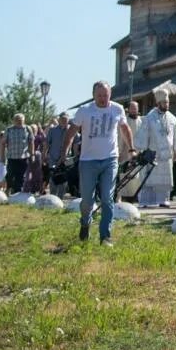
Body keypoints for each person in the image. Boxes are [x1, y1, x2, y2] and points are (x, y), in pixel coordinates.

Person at [67, 81, 134, 246]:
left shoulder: (117, 109)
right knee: (87, 201)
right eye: (99, 96)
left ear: (110, 95)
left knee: (107, 198)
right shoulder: (84, 111)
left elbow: (125, 129)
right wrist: (63, 153)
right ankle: (85, 222)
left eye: (106, 95)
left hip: (110, 159)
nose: (103, 99)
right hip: (88, 160)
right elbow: (71, 132)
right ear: (93, 95)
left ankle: (105, 236)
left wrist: (131, 148)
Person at [134, 94, 176, 206]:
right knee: (150, 178)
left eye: (167, 102)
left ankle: (163, 200)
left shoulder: (172, 118)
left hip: (167, 154)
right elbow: (143, 134)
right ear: (158, 103)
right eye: (164, 102)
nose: (166, 104)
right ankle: (146, 201)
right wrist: (142, 149)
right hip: (153, 153)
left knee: (165, 179)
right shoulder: (150, 117)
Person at [3, 113, 32, 194]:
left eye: (21, 120)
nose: (19, 122)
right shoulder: (9, 129)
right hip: (12, 157)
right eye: (17, 120)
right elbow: (3, 143)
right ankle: (9, 187)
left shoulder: (28, 129)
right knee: (10, 175)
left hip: (23, 157)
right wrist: (2, 156)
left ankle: (17, 192)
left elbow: (31, 142)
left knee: (21, 176)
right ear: (14, 121)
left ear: (24, 120)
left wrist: (32, 154)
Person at [46, 113, 72, 195]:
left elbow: (74, 144)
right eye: (62, 119)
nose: (64, 121)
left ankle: (61, 197)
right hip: (53, 157)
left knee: (64, 178)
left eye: (66, 119)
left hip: (66, 158)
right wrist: (44, 154)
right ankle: (52, 196)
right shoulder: (52, 130)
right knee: (53, 177)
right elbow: (47, 143)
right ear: (59, 120)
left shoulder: (71, 130)